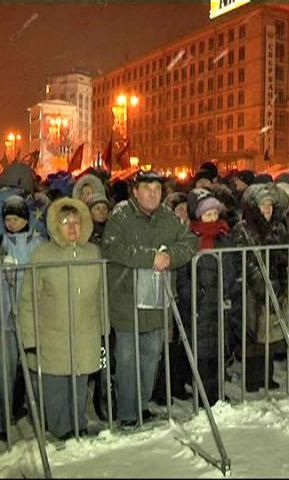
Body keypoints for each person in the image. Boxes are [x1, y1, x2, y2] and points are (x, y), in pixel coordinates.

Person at [101, 170, 199, 427]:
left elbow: (190, 242)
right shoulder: (121, 215)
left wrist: (170, 257)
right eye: (147, 189)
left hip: (156, 301)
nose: (153, 194)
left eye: (157, 189)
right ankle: (127, 414)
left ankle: (142, 405)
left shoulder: (168, 217)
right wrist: (149, 258)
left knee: (152, 353)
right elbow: (111, 247)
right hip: (126, 300)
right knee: (126, 359)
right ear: (135, 191)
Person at [19, 197, 103, 441]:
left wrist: (104, 330)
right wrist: (30, 336)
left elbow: (100, 294)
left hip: (85, 330)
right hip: (52, 333)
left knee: (79, 382)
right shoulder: (42, 255)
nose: (73, 227)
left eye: (77, 222)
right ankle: (61, 429)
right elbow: (28, 299)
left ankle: (78, 424)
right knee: (56, 385)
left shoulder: (92, 252)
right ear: (56, 225)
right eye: (66, 222)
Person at [0, 195, 44, 443]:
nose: (12, 223)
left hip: (31, 317)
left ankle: (39, 417)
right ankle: (0, 425)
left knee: (35, 371)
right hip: (3, 318)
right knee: (4, 372)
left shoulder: (37, 243)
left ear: (25, 218)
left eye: (16, 218)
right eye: (8, 219)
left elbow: (45, 276)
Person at [230, 183, 289, 391]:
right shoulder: (244, 229)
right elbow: (247, 261)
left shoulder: (278, 227)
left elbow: (284, 255)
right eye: (262, 206)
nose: (267, 209)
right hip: (252, 288)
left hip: (273, 285)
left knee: (270, 333)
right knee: (252, 333)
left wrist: (281, 282)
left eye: (270, 205)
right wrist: (262, 286)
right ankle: (252, 378)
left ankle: (267, 376)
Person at [176, 188, 233, 405]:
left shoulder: (223, 237)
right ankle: (203, 395)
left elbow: (230, 267)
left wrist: (228, 289)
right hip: (198, 306)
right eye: (208, 214)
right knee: (201, 353)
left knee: (218, 351)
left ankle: (217, 393)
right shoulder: (189, 239)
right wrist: (193, 294)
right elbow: (182, 275)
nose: (213, 218)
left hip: (219, 304)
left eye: (215, 214)